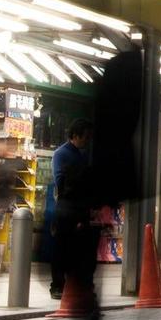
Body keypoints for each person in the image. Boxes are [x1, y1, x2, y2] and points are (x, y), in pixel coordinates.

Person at [50, 118, 93, 300]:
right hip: (66, 206)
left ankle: (77, 284)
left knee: (80, 248)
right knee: (61, 247)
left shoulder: (82, 155)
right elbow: (60, 181)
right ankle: (57, 286)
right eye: (84, 137)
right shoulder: (61, 154)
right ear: (75, 136)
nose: (86, 141)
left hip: (81, 206)